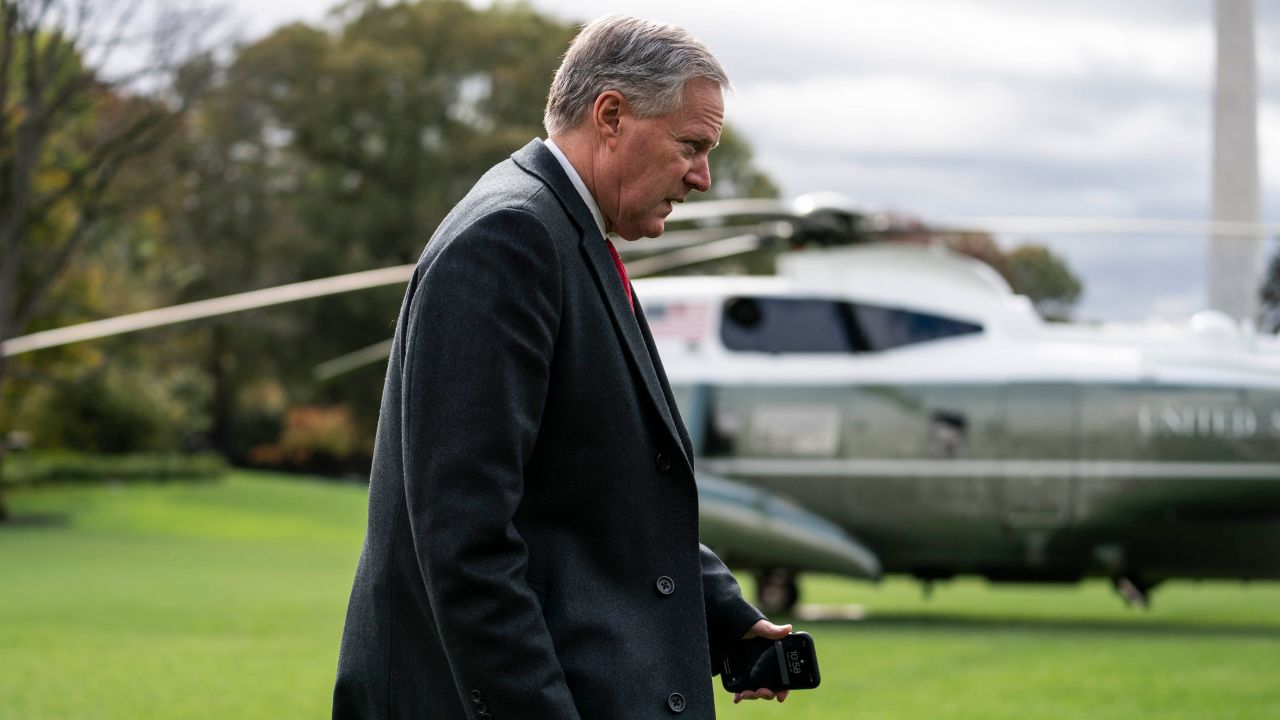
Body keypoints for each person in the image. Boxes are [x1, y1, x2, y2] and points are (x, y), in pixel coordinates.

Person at [332, 15, 791, 719]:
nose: (703, 177)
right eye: (692, 146)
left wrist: (722, 615)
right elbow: (467, 543)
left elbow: (597, 486)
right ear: (611, 115)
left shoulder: (563, 233)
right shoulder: (510, 239)